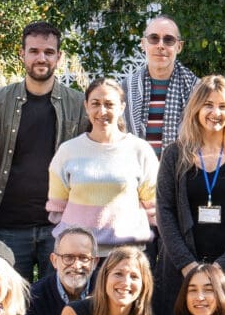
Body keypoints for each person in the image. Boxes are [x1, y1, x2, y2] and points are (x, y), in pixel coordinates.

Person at [0, 22, 85, 289]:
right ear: (22, 54)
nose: (42, 58)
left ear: (59, 57)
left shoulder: (77, 104)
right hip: (9, 225)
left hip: (59, 227)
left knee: (60, 304)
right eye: (34, 51)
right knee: (10, 305)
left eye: (49, 52)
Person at [156, 75, 225, 309]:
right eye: (208, 105)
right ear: (196, 108)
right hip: (180, 269)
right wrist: (187, 265)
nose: (216, 112)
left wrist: (220, 268)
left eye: (223, 106)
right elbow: (164, 211)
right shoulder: (174, 155)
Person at [45, 78, 162, 260]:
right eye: (95, 104)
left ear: (122, 107)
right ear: (86, 106)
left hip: (126, 255)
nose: (102, 111)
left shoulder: (140, 150)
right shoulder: (68, 151)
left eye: (109, 104)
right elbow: (57, 206)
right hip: (78, 256)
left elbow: (153, 205)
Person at [123, 14, 199, 152]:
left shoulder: (197, 90)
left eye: (168, 40)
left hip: (183, 171)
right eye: (154, 38)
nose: (160, 45)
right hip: (135, 171)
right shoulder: (124, 91)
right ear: (143, 44)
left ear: (179, 47)